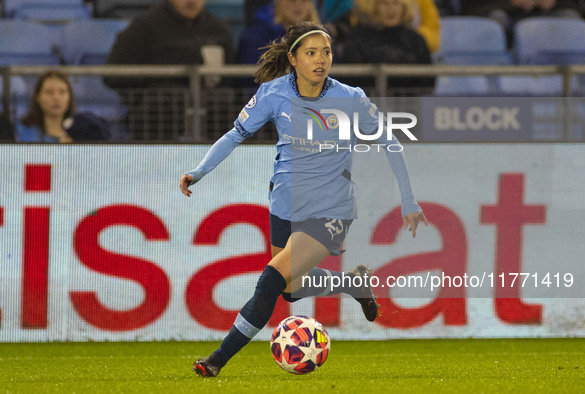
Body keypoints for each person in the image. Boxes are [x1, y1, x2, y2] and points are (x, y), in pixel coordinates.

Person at [180, 21, 428, 377]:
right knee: (291, 290)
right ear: (293, 58)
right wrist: (199, 171)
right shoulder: (273, 94)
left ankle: (218, 359)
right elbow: (235, 135)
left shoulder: (351, 98)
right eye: (311, 52)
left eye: (326, 52)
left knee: (270, 279)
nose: (320, 59)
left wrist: (408, 200)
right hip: (285, 203)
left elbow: (390, 142)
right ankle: (352, 283)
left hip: (332, 209)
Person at [104, 0, 234, 141]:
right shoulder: (144, 26)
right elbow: (113, 74)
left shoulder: (218, 29)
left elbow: (231, 77)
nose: (191, 1)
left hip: (211, 115)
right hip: (158, 117)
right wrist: (154, 83)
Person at [340, 0, 435, 91]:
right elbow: (350, 80)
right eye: (384, 3)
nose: (391, 9)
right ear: (374, 6)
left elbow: (429, 79)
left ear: (404, 6)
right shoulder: (358, 37)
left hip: (409, 104)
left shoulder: (415, 40)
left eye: (396, 2)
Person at [461, 0, 584, 47]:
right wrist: (512, 3)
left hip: (544, 21)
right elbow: (469, 11)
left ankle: (575, 78)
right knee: (497, 19)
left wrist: (554, 2)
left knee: (570, 16)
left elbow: (579, 8)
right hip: (506, 28)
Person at [237, 0, 320, 64]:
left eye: (304, 0)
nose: (298, 4)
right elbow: (252, 78)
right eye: (291, 0)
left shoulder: (322, 36)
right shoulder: (256, 35)